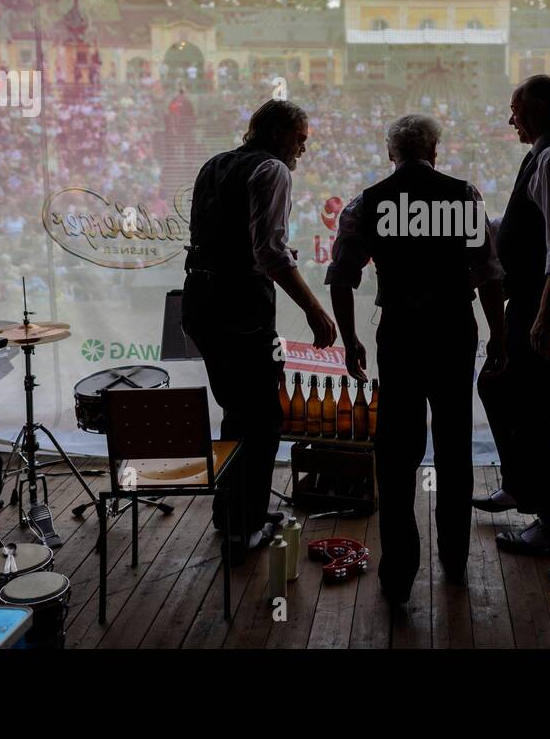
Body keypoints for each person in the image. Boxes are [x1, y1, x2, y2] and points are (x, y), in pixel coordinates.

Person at [326, 114, 507, 604]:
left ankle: (400, 571)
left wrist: (349, 340)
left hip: (401, 333)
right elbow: (489, 274)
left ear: (391, 154)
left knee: (397, 450)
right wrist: (501, 337)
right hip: (453, 329)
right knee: (453, 444)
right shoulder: (464, 196)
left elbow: (341, 276)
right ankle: (454, 558)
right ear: (436, 149)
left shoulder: (369, 203)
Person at [181, 98, 337, 562]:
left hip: (200, 301)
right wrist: (315, 310)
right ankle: (243, 526)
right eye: (300, 139)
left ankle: (233, 513)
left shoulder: (215, 164)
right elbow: (269, 252)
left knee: (236, 411)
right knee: (263, 418)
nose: (303, 150)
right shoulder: (272, 171)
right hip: (239, 307)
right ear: (276, 135)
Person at [474, 74, 550, 556]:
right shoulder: (547, 156)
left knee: (533, 411)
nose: (510, 119)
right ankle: (522, 486)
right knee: (496, 386)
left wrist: (545, 318)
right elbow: (529, 227)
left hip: (549, 305)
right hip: (540, 302)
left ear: (540, 109)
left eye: (516, 110)